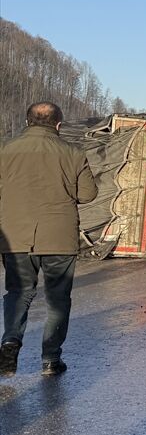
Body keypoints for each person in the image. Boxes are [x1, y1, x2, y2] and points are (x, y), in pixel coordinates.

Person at [0, 102, 98, 376]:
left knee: (18, 293)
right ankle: (50, 360)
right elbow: (88, 194)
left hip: (16, 235)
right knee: (58, 298)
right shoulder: (73, 153)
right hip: (59, 236)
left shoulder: (4, 150)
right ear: (58, 125)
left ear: (27, 121)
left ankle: (10, 340)